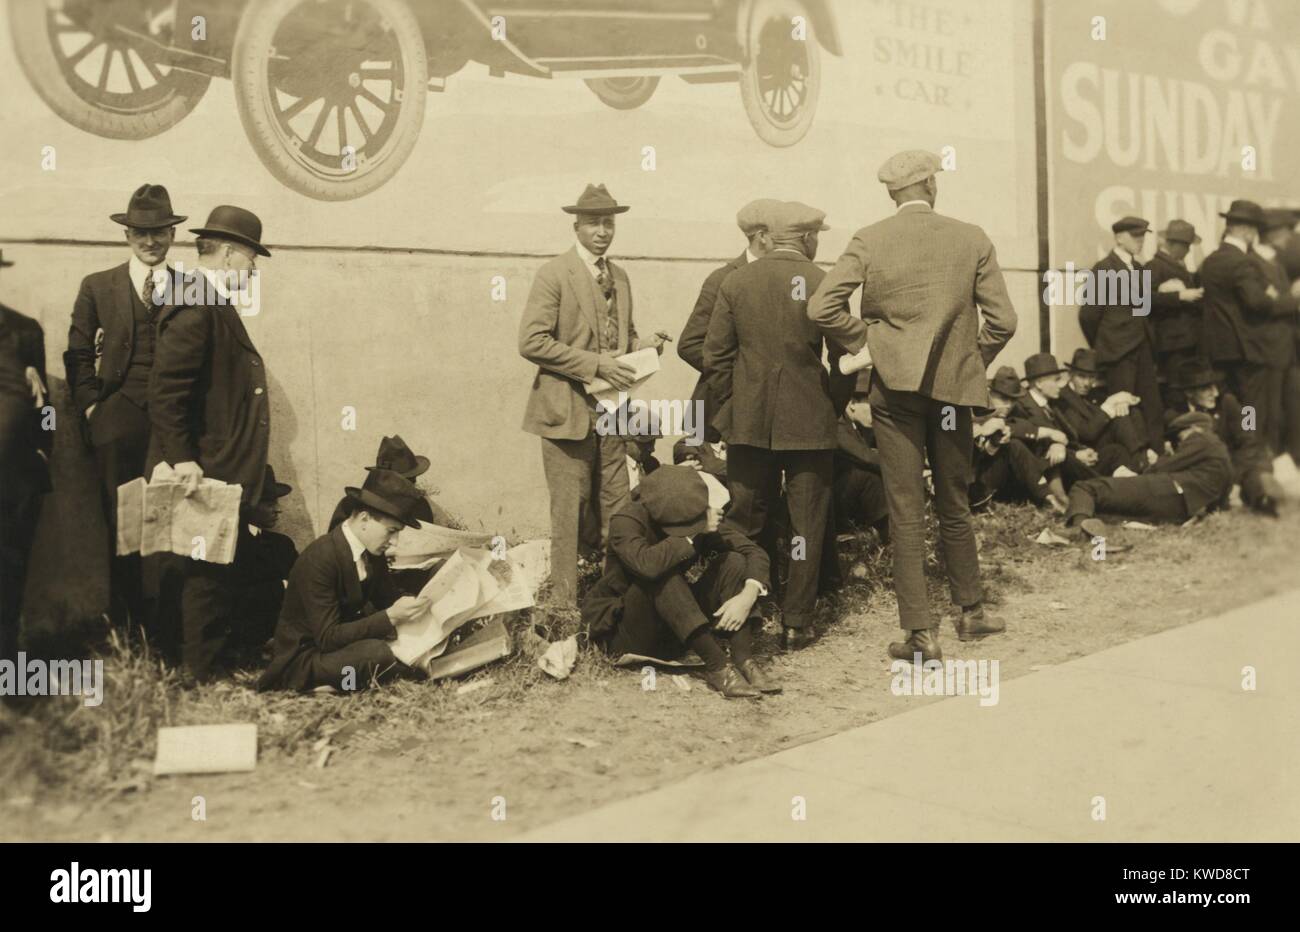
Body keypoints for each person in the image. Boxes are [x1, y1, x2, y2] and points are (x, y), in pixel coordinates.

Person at [808, 149, 1017, 662]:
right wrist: (970, 359)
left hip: (894, 393)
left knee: (904, 510)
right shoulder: (972, 237)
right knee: (955, 501)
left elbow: (821, 307)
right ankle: (971, 613)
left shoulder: (870, 238)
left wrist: (875, 343)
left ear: (891, 193)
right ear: (931, 186)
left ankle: (921, 635)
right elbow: (1005, 322)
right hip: (953, 393)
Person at [703, 200, 849, 651]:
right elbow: (846, 358)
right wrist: (832, 405)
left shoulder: (736, 281)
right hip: (809, 425)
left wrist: (732, 409)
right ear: (805, 238)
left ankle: (740, 607)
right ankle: (796, 621)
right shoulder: (822, 281)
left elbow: (714, 358)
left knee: (746, 520)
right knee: (806, 526)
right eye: (816, 235)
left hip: (749, 425)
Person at [517, 184, 669, 606]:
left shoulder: (620, 277)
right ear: (576, 227)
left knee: (618, 507)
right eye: (594, 223)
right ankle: (565, 605)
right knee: (569, 511)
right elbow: (531, 342)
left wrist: (644, 349)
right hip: (564, 411)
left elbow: (624, 334)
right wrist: (595, 363)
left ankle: (613, 601)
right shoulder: (554, 274)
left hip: (612, 413)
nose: (603, 231)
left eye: (609, 223)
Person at [147, 205, 273, 682]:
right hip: (202, 463)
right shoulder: (197, 304)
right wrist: (182, 459)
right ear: (224, 254)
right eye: (249, 258)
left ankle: (206, 663)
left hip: (214, 461)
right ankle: (200, 673)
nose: (253, 269)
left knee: (213, 566)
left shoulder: (206, 300)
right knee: (203, 571)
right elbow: (168, 389)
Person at [64, 184, 186, 632]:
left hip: (175, 427)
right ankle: (126, 633)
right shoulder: (98, 286)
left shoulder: (193, 288)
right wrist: (93, 408)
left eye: (158, 232)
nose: (150, 241)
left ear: (173, 234)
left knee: (171, 523)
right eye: (140, 232)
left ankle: (167, 635)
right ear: (126, 235)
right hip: (117, 421)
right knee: (121, 527)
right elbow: (78, 353)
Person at [582, 466, 774, 699]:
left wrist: (748, 595)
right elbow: (647, 566)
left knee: (732, 561)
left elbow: (753, 552)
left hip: (675, 629)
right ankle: (718, 667)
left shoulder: (694, 512)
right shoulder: (626, 520)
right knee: (661, 573)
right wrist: (692, 534)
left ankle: (744, 659)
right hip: (627, 632)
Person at [258, 469, 431, 692]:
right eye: (391, 531)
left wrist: (420, 604)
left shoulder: (371, 551)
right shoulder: (321, 557)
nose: (394, 542)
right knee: (377, 653)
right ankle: (322, 684)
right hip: (307, 657)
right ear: (364, 519)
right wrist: (390, 618)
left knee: (399, 649)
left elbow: (388, 598)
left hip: (342, 648)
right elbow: (327, 637)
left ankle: (347, 682)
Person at [677, 199, 777, 445]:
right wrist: (739, 381)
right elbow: (689, 344)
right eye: (782, 234)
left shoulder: (781, 278)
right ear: (762, 236)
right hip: (716, 412)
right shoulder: (722, 278)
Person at [1064, 411, 1233, 543]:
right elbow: (1224, 497)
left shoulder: (1202, 438)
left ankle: (1078, 531)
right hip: (1178, 512)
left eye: (1180, 438)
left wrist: (1136, 476)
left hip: (1166, 489)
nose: (1181, 444)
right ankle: (1095, 533)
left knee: (1086, 487)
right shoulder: (1221, 452)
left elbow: (1163, 467)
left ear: (1194, 428)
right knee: (1109, 511)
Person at [1079, 215, 1165, 449]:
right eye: (1135, 235)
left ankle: (1157, 457)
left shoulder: (1138, 268)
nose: (1140, 241)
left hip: (1142, 348)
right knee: (1122, 409)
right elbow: (1088, 315)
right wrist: (1106, 344)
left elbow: (1143, 309)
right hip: (1119, 352)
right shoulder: (1104, 268)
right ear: (1118, 237)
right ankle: (1132, 460)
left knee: (1152, 407)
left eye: (1142, 236)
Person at [0, 273, 52, 661]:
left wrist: (44, 450)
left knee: (10, 569)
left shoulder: (24, 331)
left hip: (16, 477)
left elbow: (45, 407)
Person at [1200, 199, 1277, 436]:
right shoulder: (1242, 262)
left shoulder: (1210, 261)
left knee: (1226, 404)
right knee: (1249, 406)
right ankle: (1248, 447)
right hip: (1244, 349)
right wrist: (1271, 296)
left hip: (1217, 348)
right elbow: (1255, 301)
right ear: (1246, 230)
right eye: (1254, 230)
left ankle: (1232, 448)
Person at [1167, 362, 1282, 517]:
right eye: (1205, 388)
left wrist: (1233, 480)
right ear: (1189, 392)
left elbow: (1248, 442)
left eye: (1214, 387)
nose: (1214, 393)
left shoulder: (1228, 402)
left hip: (1235, 462)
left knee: (1254, 471)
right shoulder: (1175, 415)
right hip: (1204, 471)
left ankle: (1262, 498)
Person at [228, 464, 300, 663]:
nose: (278, 509)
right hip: (245, 641)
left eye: (276, 502)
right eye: (269, 502)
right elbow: (236, 597)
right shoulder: (231, 547)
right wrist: (283, 586)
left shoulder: (282, 545)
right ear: (247, 505)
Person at [969, 366, 1058, 510]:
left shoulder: (1011, 412)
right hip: (968, 485)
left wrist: (995, 443)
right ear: (990, 393)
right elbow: (958, 454)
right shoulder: (972, 411)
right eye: (1004, 399)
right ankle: (1047, 498)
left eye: (1013, 400)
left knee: (1022, 446)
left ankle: (1048, 498)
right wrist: (983, 431)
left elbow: (1027, 425)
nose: (1008, 405)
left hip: (992, 480)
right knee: (1014, 446)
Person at [1251, 209, 1299, 457]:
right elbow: (1262, 306)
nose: (1290, 237)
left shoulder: (1276, 263)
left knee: (1289, 407)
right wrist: (1293, 298)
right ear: (1270, 234)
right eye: (1285, 232)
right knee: (1265, 410)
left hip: (1285, 348)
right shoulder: (1252, 263)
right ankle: (1264, 459)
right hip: (1266, 349)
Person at [327, 434, 442, 530]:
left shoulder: (419, 506)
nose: (413, 484)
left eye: (413, 479)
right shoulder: (348, 506)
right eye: (410, 479)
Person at [1146, 219, 1206, 403]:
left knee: (1186, 388)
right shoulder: (1155, 266)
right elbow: (1144, 299)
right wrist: (1179, 296)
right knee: (1176, 389)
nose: (1188, 250)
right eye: (1185, 245)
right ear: (1173, 244)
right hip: (1173, 343)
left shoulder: (1178, 265)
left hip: (1184, 341)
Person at [833, 378, 889, 540]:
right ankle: (888, 532)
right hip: (831, 500)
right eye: (872, 407)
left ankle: (884, 529)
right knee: (866, 476)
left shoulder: (862, 425)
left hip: (847, 494)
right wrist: (907, 467)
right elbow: (866, 457)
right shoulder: (837, 424)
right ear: (852, 403)